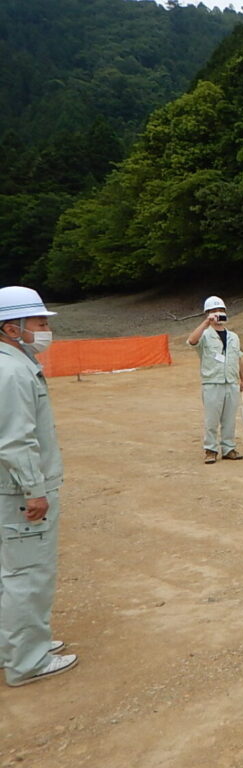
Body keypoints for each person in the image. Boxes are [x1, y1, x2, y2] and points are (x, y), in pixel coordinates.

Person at [0, 286, 78, 687]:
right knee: (28, 574)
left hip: (7, 491)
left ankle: (15, 645)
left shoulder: (12, 364)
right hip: (17, 494)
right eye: (40, 323)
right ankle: (28, 660)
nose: (46, 330)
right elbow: (16, 439)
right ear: (11, 328)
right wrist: (34, 489)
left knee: (10, 572)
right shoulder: (12, 372)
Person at [186, 296, 243, 464]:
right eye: (213, 312)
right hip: (212, 383)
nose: (218, 314)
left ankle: (229, 448)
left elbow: (238, 358)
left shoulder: (234, 337)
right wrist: (206, 323)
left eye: (221, 311)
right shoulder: (204, 335)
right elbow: (191, 341)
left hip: (231, 383)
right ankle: (210, 449)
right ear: (207, 314)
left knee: (229, 419)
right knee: (212, 419)